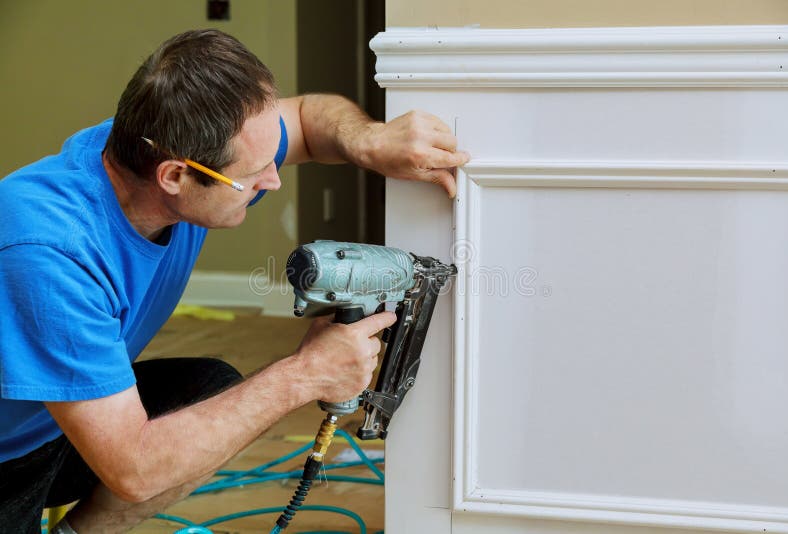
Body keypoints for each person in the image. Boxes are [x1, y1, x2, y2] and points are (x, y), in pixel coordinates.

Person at [0, 29, 468, 533]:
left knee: (212, 393)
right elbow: (134, 470)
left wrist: (368, 140)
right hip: (8, 460)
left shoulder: (173, 144)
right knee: (171, 444)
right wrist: (303, 374)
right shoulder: (51, 256)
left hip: (54, 425)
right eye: (255, 172)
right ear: (175, 176)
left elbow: (309, 117)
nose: (275, 179)